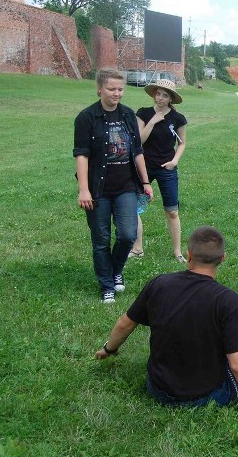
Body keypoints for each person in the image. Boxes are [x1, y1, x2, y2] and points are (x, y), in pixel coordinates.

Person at [95, 226, 238, 419]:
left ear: (189, 255)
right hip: (206, 397)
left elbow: (125, 324)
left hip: (157, 388)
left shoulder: (159, 284)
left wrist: (109, 349)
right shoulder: (230, 302)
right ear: (223, 258)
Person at [74, 68, 153, 304]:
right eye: (111, 89)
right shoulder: (87, 118)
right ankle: (106, 284)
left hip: (126, 186)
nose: (117, 93)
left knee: (128, 235)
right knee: (101, 239)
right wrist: (84, 189)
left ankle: (115, 270)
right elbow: (82, 155)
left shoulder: (129, 115)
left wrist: (146, 181)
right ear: (99, 89)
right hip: (98, 189)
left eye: (120, 89)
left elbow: (137, 151)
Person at [131, 79, 188, 262]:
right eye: (158, 94)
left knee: (172, 211)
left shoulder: (177, 118)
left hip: (167, 168)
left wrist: (174, 161)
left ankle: (177, 251)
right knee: (135, 207)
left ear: (171, 98)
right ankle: (138, 248)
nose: (160, 98)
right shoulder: (143, 113)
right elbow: (139, 141)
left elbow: (182, 143)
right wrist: (153, 121)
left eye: (165, 95)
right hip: (144, 166)